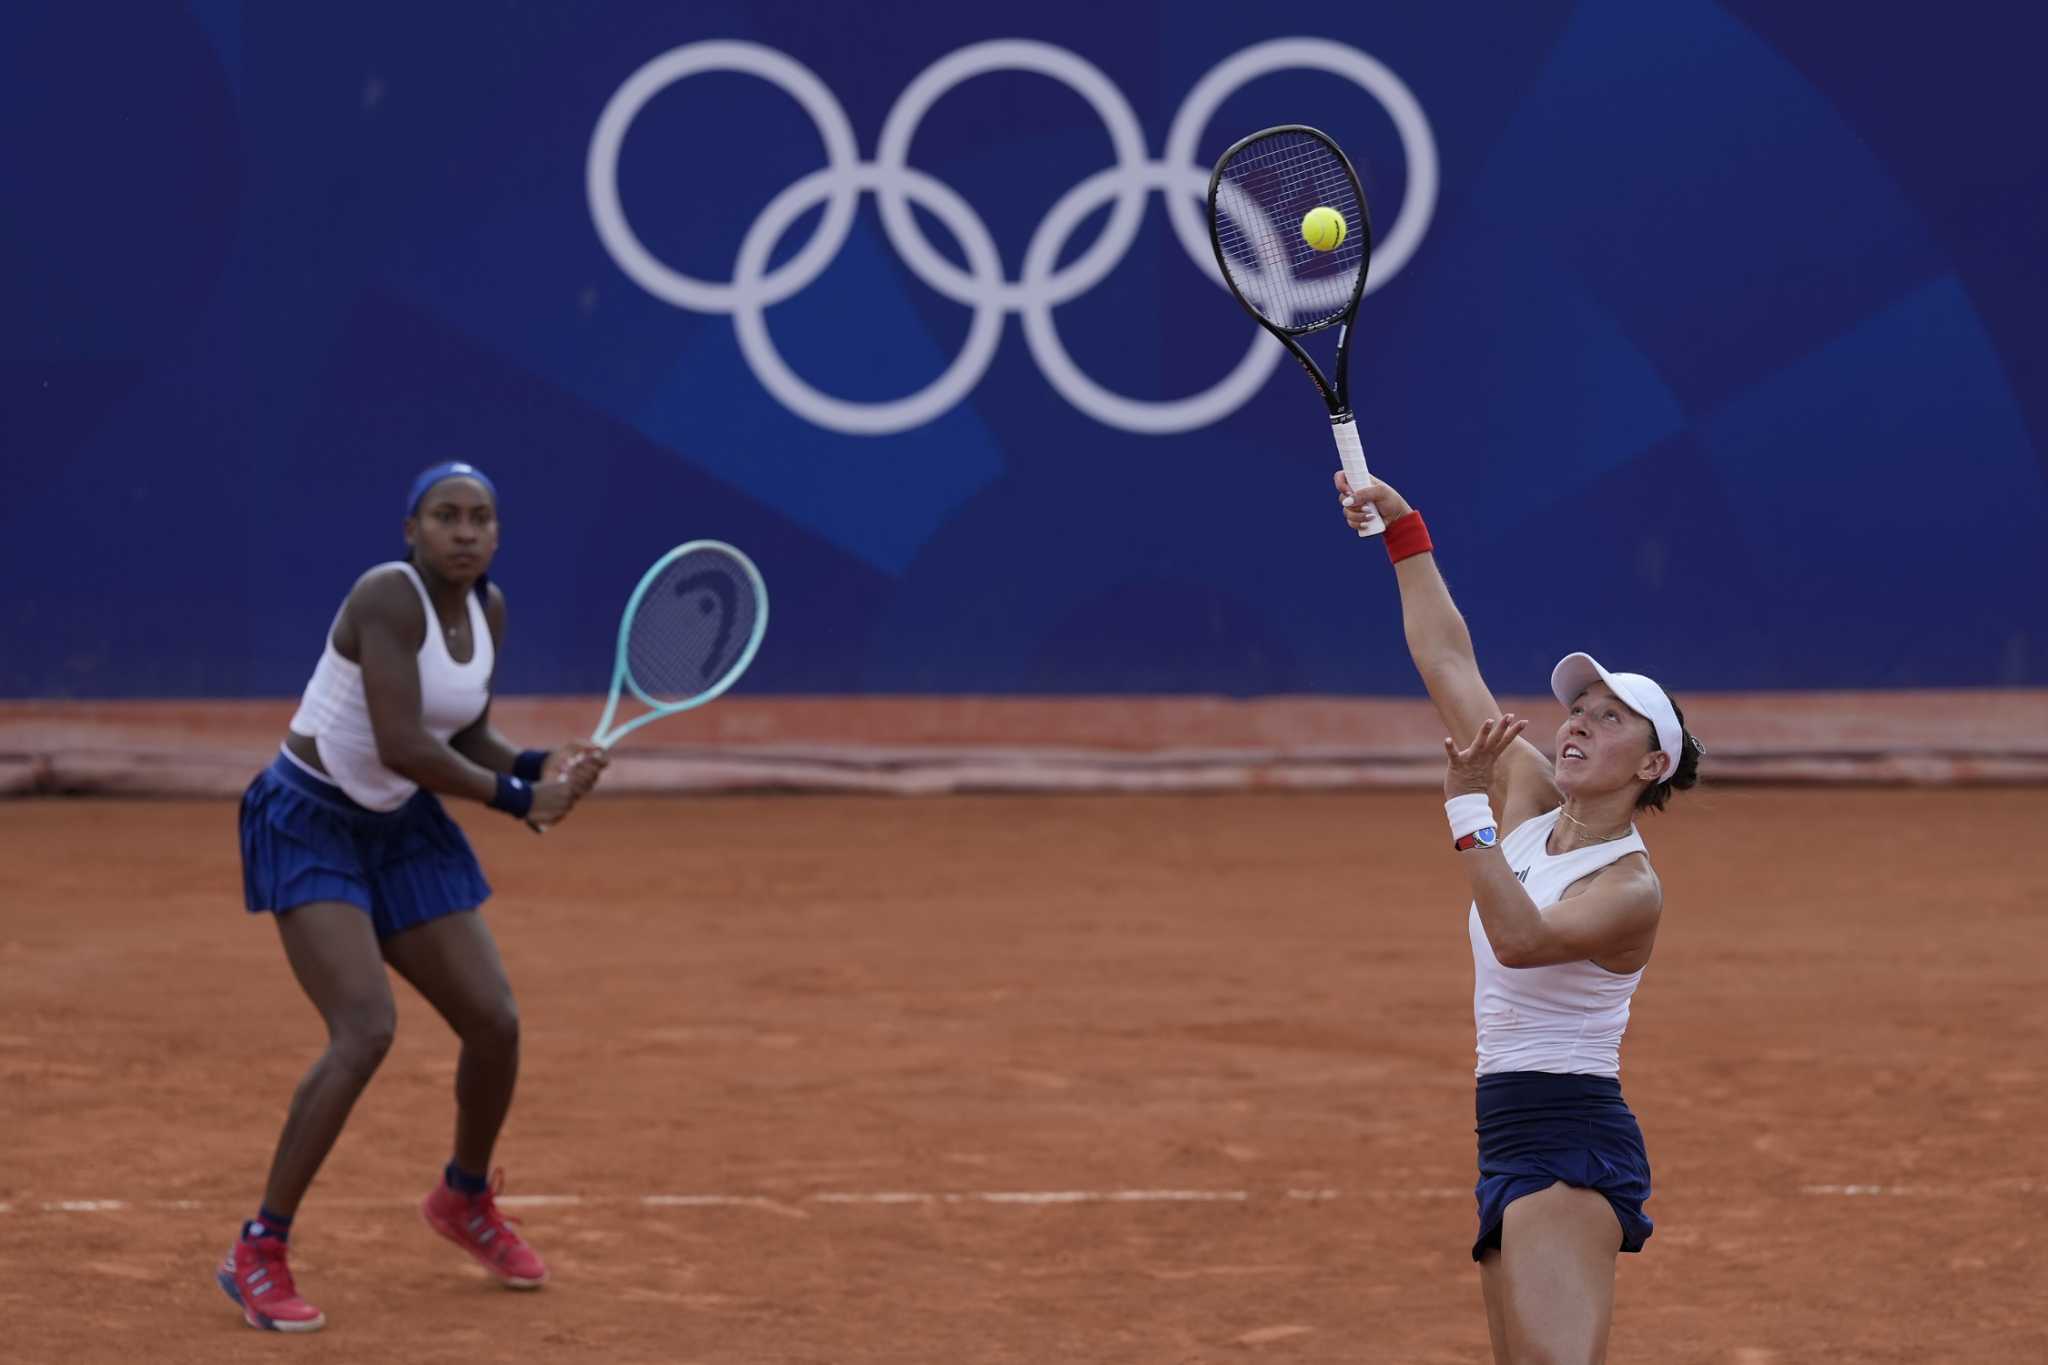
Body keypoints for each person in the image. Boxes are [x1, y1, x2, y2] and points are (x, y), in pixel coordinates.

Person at [217, 461, 608, 1332]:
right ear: (411, 529)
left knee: (494, 1021)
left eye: (480, 519)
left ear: (498, 535)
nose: (464, 532)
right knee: (364, 1028)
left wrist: (540, 764)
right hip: (311, 820)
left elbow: (459, 728)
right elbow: (400, 741)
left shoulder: (489, 609)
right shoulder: (386, 596)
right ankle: (258, 1248)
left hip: (399, 831)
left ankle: (463, 1197)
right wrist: (517, 801)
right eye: (445, 517)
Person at [1336, 470, 1703, 1365]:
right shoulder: (1534, 798)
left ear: (1652, 767)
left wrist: (1469, 810)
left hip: (1570, 1140)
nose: (1578, 723)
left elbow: (1521, 938)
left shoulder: (1628, 888)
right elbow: (1448, 661)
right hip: (1504, 1129)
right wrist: (1404, 530)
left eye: (1609, 719)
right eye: (1577, 707)